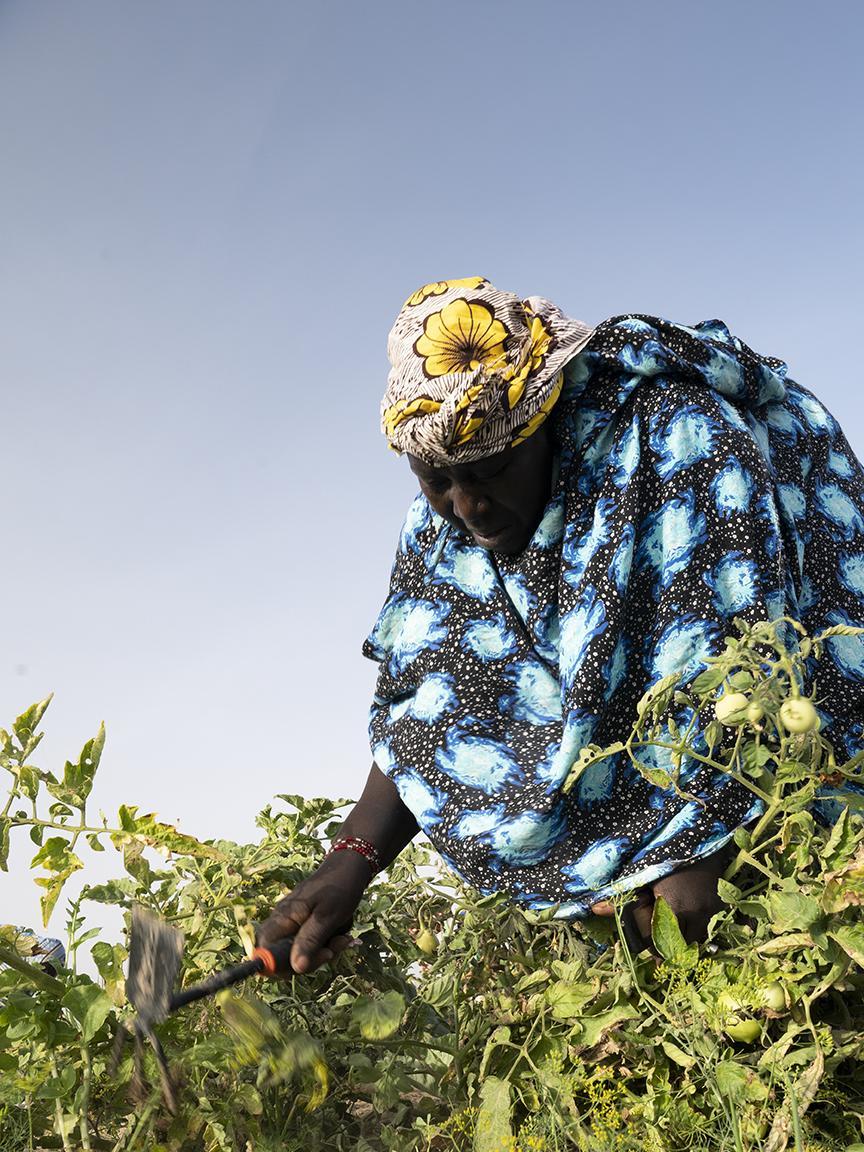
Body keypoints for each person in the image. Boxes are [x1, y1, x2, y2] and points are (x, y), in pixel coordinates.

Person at [259, 276, 864, 971]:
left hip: (778, 762)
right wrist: (347, 865)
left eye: (490, 472)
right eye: (436, 480)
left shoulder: (675, 435)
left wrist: (703, 849)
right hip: (656, 827)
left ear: (546, 418)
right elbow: (433, 705)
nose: (466, 508)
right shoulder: (441, 525)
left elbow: (739, 648)